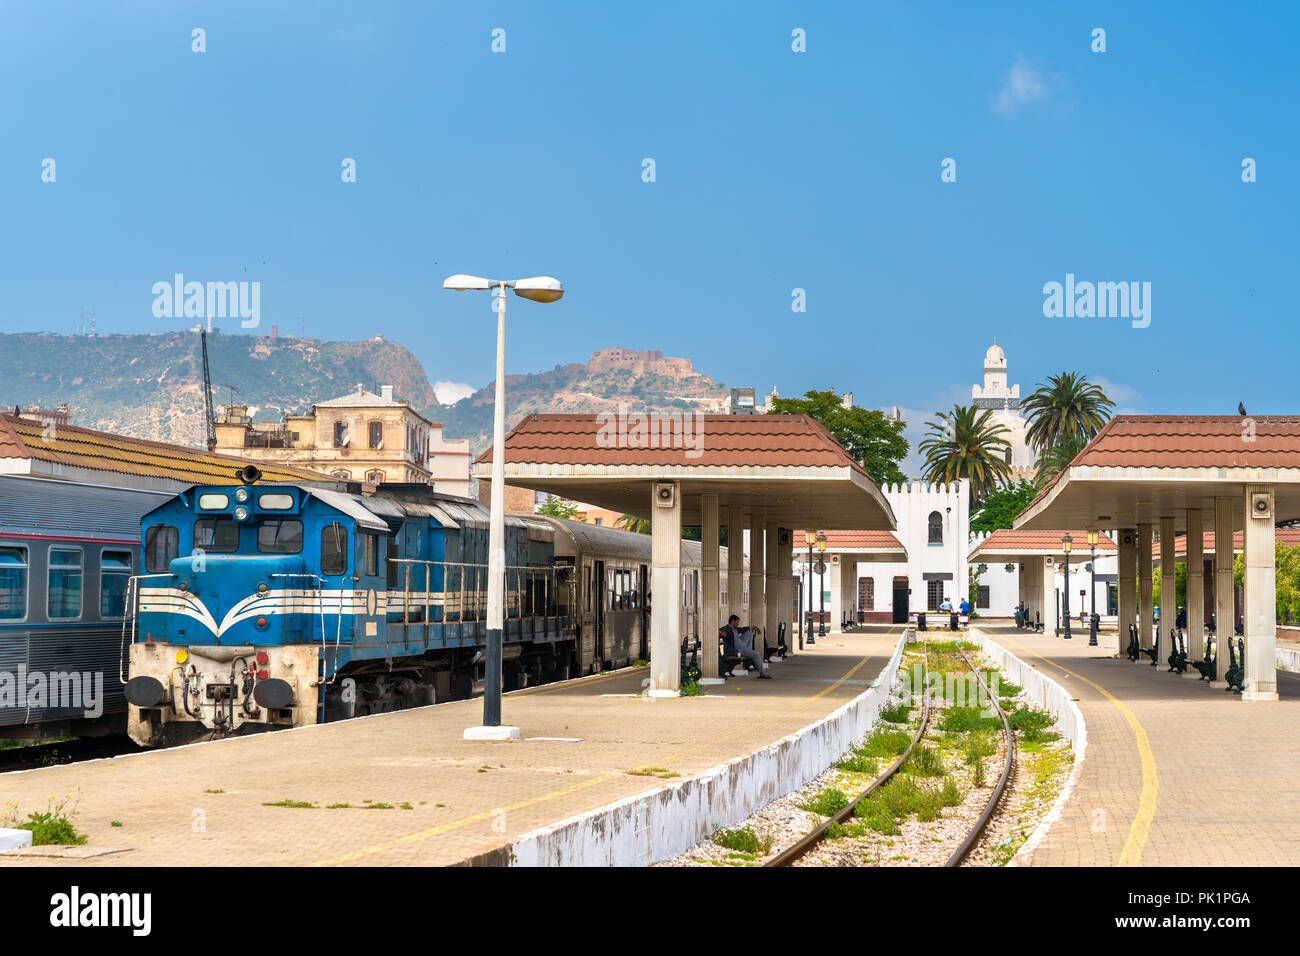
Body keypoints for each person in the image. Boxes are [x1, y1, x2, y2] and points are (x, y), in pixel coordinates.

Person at [721, 614, 770, 679]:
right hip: (738, 650)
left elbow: (744, 629)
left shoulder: (735, 629)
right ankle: (762, 674)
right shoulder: (727, 628)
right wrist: (721, 632)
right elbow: (719, 630)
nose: (738, 624)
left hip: (743, 647)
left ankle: (748, 651)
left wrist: (755, 627)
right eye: (737, 622)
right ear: (733, 621)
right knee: (756, 654)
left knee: (749, 632)